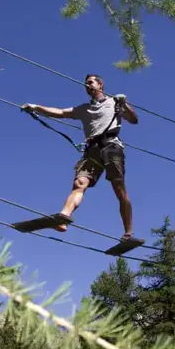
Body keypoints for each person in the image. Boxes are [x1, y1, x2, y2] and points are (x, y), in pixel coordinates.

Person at [21, 74, 138, 239]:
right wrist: (35, 107)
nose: (87, 86)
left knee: (119, 189)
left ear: (100, 84)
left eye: (90, 82)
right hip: (91, 149)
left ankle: (128, 233)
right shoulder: (83, 109)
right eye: (86, 84)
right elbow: (60, 112)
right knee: (79, 183)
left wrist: (123, 104)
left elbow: (133, 119)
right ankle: (62, 218)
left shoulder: (114, 102)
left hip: (111, 146)